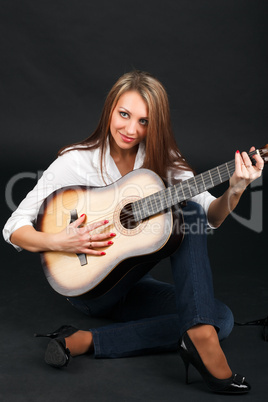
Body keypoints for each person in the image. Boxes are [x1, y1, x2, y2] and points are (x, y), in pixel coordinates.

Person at [3, 70, 264, 394]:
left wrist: (236, 190)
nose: (130, 128)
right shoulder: (76, 161)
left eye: (143, 121)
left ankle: (86, 341)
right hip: (88, 288)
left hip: (132, 281)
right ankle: (201, 339)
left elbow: (211, 216)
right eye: (124, 114)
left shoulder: (164, 162)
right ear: (110, 110)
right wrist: (58, 240)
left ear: (156, 124)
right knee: (190, 222)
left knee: (220, 318)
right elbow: (14, 226)